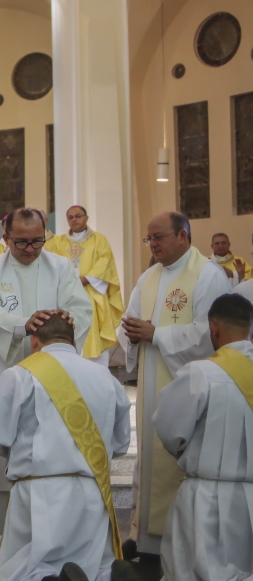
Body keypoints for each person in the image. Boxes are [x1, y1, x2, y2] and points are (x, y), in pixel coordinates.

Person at [0, 313, 140, 581]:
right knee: (94, 563)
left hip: (40, 495)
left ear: (34, 342)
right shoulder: (104, 377)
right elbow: (121, 442)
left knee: (19, 579)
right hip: (92, 496)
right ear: (75, 342)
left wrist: (17, 452)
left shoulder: (21, 374)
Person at [0, 208, 92, 543]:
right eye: (20, 242)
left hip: (54, 371)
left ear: (46, 234)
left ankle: (50, 541)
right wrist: (22, 325)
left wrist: (60, 324)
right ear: (5, 235)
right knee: (3, 448)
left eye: (37, 241)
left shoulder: (60, 267)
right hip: (5, 365)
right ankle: (0, 544)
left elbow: (82, 309)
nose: (29, 249)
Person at [116, 212, 230, 558]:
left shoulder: (208, 275)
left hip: (189, 385)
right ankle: (145, 535)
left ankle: (179, 539)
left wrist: (157, 334)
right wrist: (133, 336)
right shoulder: (148, 277)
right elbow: (128, 325)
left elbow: (212, 332)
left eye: (158, 238)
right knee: (149, 457)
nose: (153, 245)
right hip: (151, 382)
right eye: (149, 239)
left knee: (176, 458)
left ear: (183, 235)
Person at [153, 294, 253, 581]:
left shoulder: (200, 373)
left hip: (208, 499)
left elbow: (170, 429)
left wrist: (190, 455)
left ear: (213, 327)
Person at [45, 206, 124, 364]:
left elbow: (104, 261)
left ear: (86, 218)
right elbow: (48, 258)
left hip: (91, 295)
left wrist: (85, 279)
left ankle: (97, 376)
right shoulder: (58, 242)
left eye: (78, 216)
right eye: (70, 217)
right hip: (66, 297)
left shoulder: (98, 240)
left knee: (93, 340)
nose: (74, 219)